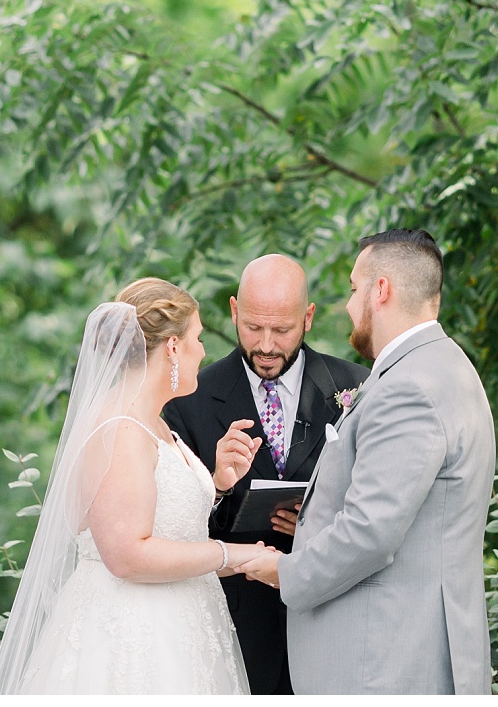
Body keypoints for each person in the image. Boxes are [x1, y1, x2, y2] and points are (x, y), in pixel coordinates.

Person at [241, 229, 497, 694]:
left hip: (384, 664)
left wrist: (286, 571)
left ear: (381, 291)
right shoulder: (448, 366)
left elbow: (371, 531)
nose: (348, 304)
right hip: (407, 652)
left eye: (354, 288)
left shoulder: (408, 387)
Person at [0, 278, 270, 694]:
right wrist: (231, 552)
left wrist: (216, 483)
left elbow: (165, 525)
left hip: (182, 624)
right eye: (197, 337)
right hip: (133, 636)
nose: (204, 350)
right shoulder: (120, 429)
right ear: (172, 347)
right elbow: (128, 555)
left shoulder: (153, 422)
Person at [163, 254, 368, 694]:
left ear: (308, 318)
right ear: (235, 311)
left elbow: (376, 506)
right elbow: (170, 530)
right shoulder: (188, 399)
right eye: (253, 327)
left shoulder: (357, 386)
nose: (267, 345)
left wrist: (317, 524)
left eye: (282, 329)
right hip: (234, 633)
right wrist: (215, 485)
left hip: (330, 627)